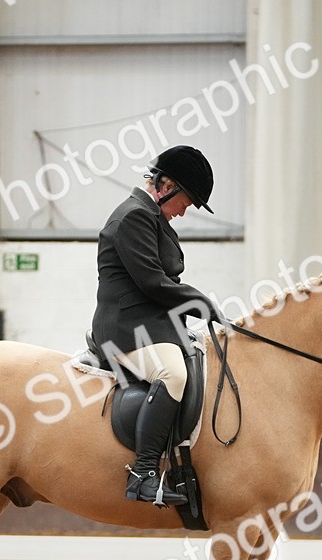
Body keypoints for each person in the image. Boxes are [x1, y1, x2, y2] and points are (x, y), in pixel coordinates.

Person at [91, 145, 225, 506]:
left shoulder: (153, 219)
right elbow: (152, 282)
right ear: (166, 186)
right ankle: (143, 473)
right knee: (174, 375)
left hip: (151, 323)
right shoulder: (133, 217)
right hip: (125, 328)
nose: (186, 210)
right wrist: (201, 302)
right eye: (187, 200)